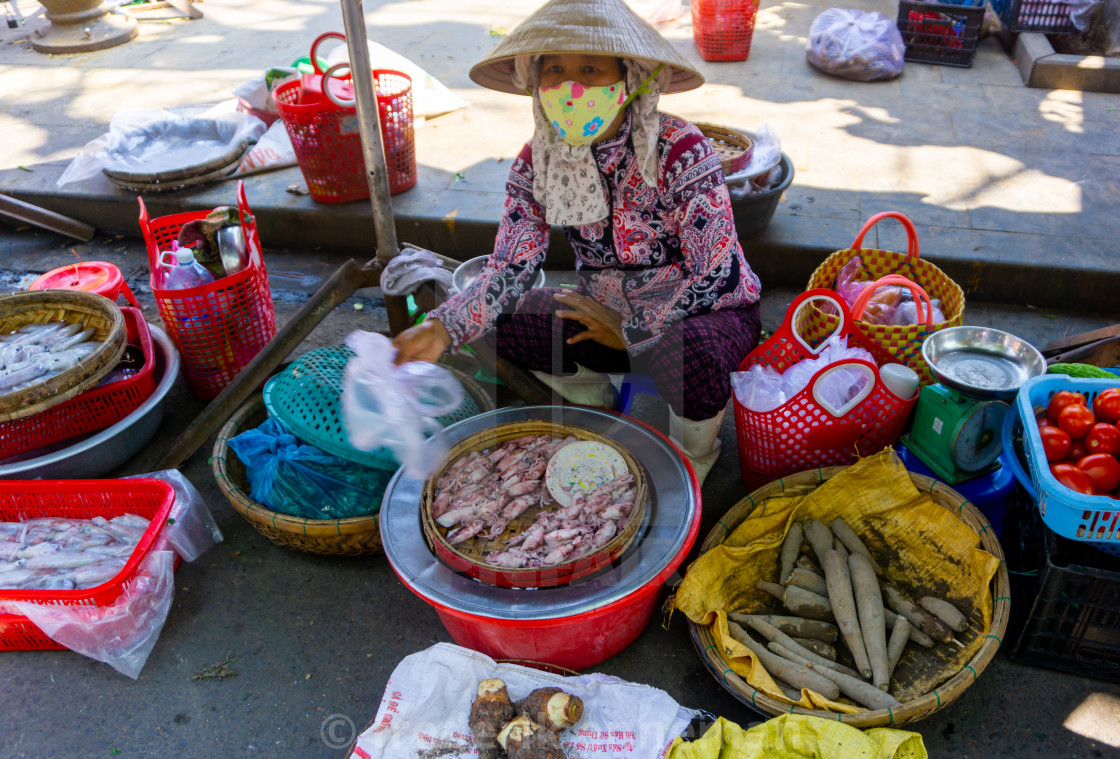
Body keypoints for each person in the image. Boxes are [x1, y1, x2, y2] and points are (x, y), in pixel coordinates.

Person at [393, 0, 762, 484]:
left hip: (705, 315)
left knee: (688, 356)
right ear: (536, 81)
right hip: (599, 316)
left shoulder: (679, 148)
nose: (572, 86)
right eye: (556, 70)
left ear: (628, 78)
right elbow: (509, 265)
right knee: (505, 323)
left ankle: (689, 465)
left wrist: (630, 327)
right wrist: (443, 329)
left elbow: (718, 273)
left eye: (590, 69)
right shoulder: (538, 158)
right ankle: (597, 401)